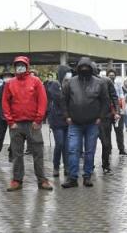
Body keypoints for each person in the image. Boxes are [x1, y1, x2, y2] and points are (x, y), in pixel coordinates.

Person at [2, 56, 51, 192]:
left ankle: (42, 180)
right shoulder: (10, 83)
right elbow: (5, 103)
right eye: (17, 65)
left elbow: (42, 101)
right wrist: (10, 121)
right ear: (14, 67)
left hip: (32, 124)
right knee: (17, 154)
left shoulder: (36, 82)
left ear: (27, 66)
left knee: (38, 153)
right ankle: (17, 180)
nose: (20, 67)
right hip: (16, 125)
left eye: (22, 65)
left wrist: (38, 120)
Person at [61, 57, 107, 188]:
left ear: (91, 69)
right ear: (78, 69)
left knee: (90, 151)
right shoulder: (70, 83)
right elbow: (63, 100)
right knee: (73, 150)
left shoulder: (100, 83)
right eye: (82, 68)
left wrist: (100, 117)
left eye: (87, 68)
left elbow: (105, 101)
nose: (84, 70)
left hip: (93, 123)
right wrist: (67, 116)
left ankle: (87, 176)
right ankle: (72, 178)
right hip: (74, 123)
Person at [46, 65, 71, 178]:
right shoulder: (55, 85)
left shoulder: (69, 85)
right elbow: (58, 98)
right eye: (66, 73)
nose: (68, 76)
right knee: (60, 143)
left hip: (67, 120)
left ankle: (67, 166)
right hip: (57, 120)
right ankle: (56, 166)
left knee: (66, 145)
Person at [98, 68, 120, 175]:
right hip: (89, 117)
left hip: (105, 117)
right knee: (89, 144)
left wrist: (116, 111)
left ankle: (106, 165)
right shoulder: (82, 82)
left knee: (106, 143)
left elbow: (114, 97)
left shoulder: (106, 81)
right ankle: (89, 166)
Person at [107, 69, 127, 156]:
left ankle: (121, 149)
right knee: (107, 132)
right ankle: (108, 149)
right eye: (110, 75)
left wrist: (122, 109)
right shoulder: (104, 84)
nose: (111, 76)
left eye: (113, 75)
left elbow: (121, 97)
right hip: (108, 111)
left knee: (119, 131)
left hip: (117, 110)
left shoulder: (118, 84)